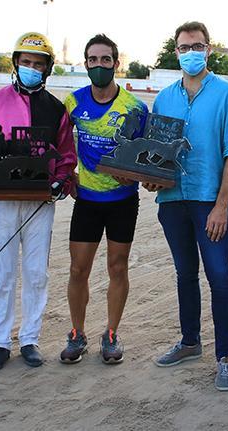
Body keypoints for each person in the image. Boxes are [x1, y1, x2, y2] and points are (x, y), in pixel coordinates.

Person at [148, 21, 228, 391]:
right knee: (184, 273)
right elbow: (156, 153)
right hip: (172, 201)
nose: (191, 52)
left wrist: (222, 205)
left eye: (198, 46)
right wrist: (151, 177)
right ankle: (190, 342)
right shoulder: (165, 97)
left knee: (219, 276)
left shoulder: (226, 94)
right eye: (185, 47)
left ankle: (226, 358)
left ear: (209, 49)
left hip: (208, 201)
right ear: (176, 52)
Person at [0, 32, 76, 371]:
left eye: (38, 64)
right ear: (16, 63)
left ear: (47, 69)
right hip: (3, 198)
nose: (32, 68)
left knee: (35, 272)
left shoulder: (56, 108)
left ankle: (30, 338)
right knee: (1, 271)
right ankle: (0, 341)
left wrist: (61, 180)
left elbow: (65, 153)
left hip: (39, 201)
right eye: (26, 62)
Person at [60, 34, 148, 364]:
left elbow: (145, 158)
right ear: (85, 65)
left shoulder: (135, 108)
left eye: (105, 60)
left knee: (117, 267)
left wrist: (136, 175)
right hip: (87, 199)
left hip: (123, 200)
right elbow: (61, 144)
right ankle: (77, 333)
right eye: (93, 60)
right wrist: (69, 173)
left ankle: (111, 334)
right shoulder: (72, 102)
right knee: (78, 269)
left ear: (116, 63)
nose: (99, 66)